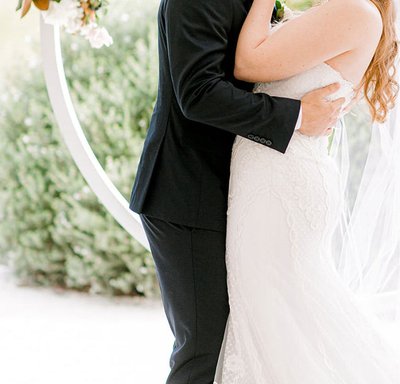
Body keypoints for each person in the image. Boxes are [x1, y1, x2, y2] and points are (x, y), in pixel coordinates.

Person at [215, 0, 400, 382]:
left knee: (279, 329)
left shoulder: (354, 12)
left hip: (279, 186)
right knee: (281, 327)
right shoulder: (342, 10)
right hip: (274, 180)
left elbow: (248, 64)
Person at [129, 0, 344, 381]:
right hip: (190, 193)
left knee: (246, 341)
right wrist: (296, 115)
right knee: (205, 352)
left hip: (241, 195)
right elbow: (198, 93)